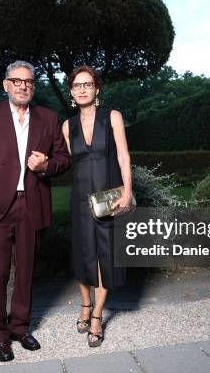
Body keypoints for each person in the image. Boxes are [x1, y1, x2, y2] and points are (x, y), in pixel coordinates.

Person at [0, 60, 71, 362]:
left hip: (32, 204)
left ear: (33, 86)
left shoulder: (49, 118)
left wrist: (46, 166)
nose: (23, 86)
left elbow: (64, 159)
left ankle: (20, 328)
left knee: (26, 273)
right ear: (6, 85)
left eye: (28, 81)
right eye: (17, 81)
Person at [61, 65, 133, 347]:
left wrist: (127, 192)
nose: (82, 89)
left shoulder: (112, 117)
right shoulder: (67, 126)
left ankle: (97, 316)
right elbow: (70, 164)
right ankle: (85, 304)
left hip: (108, 199)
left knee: (104, 255)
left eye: (87, 84)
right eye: (77, 85)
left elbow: (125, 157)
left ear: (97, 88)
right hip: (80, 200)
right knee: (82, 255)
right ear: (71, 91)